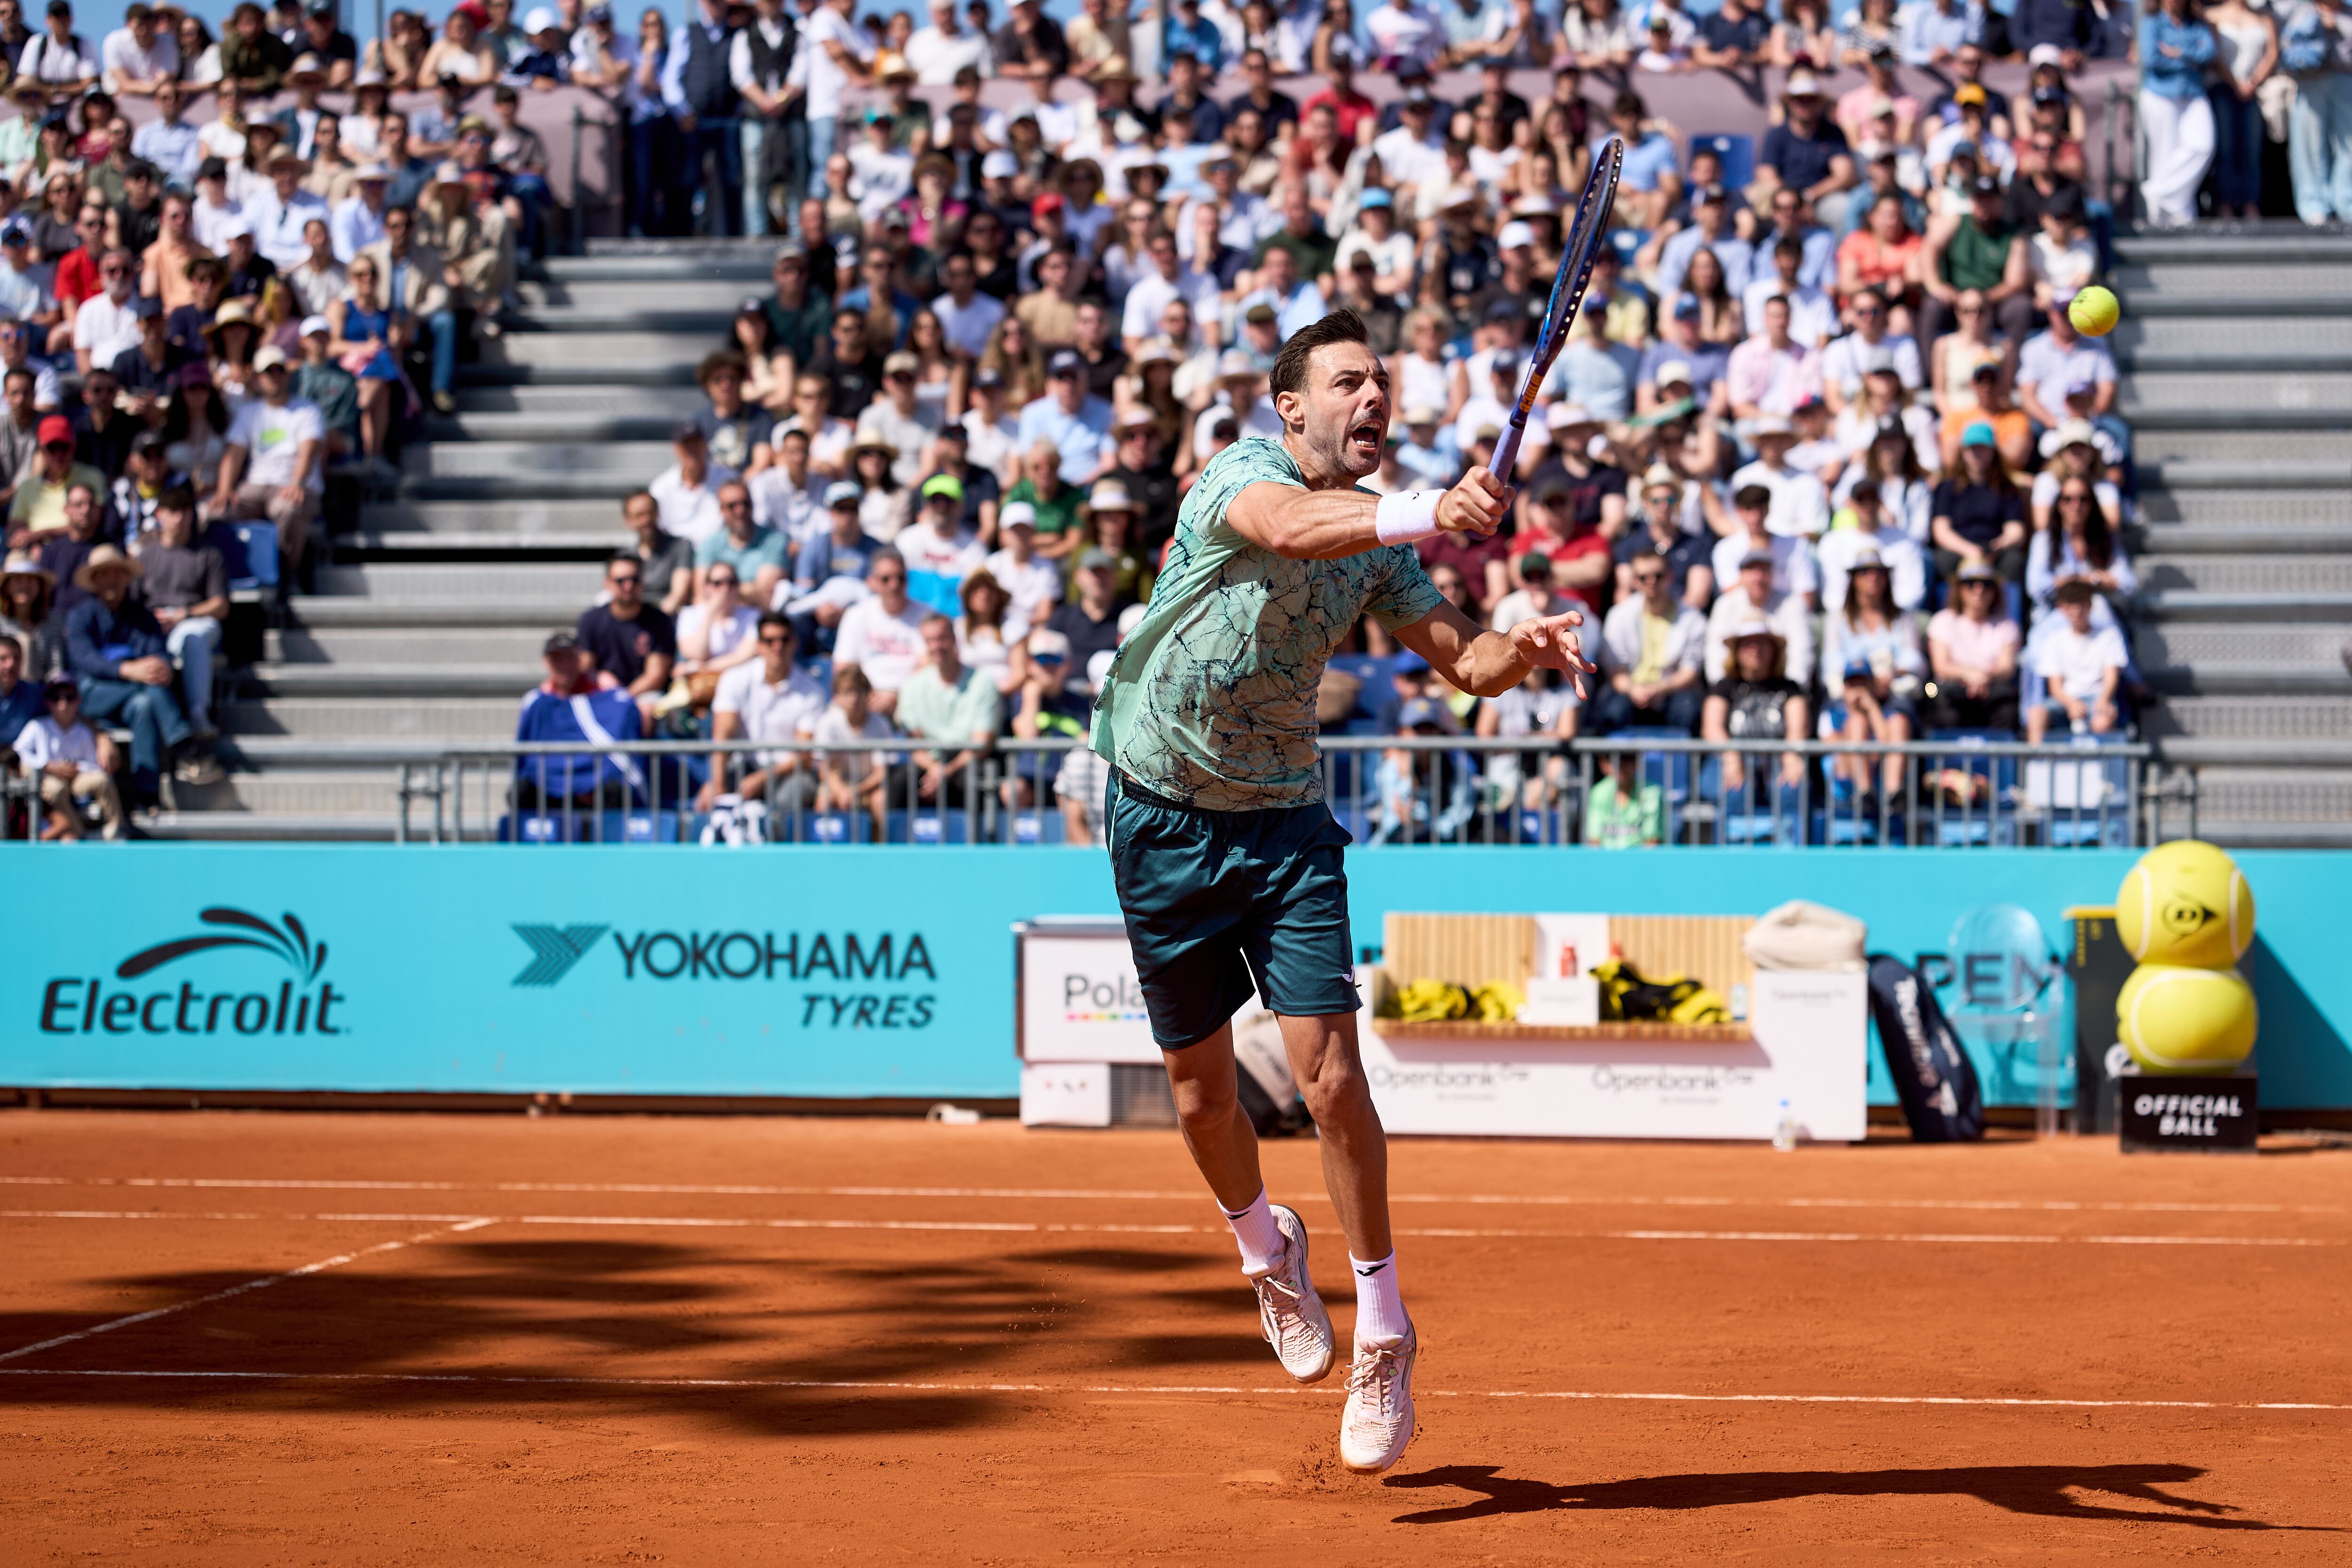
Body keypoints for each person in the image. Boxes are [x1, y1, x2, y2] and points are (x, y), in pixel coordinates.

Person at [1088, 309, 1590, 1475]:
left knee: (1330, 1078)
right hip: (1158, 812)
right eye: (1348, 382)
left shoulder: (1381, 540)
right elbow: (1291, 527)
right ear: (1293, 407)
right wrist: (1431, 509)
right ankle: (1265, 1249)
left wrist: (1519, 645)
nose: (1373, 399)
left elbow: (1462, 663)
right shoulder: (1241, 475)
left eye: (1384, 384)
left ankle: (1386, 1328)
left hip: (1285, 826)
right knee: (1204, 1098)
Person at [65, 541, 215, 801]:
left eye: (116, 573)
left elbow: (158, 650)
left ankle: (147, 793)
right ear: (95, 581)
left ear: (126, 577)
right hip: (91, 697)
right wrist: (127, 670)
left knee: (145, 704)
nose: (111, 580)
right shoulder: (80, 616)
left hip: (134, 697)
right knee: (147, 689)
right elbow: (85, 660)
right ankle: (184, 746)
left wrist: (164, 668)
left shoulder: (141, 616)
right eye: (104, 574)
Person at [207, 344, 321, 584]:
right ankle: (222, 579)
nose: (275, 377)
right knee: (214, 513)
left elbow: (308, 452)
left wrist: (296, 483)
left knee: (287, 510)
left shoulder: (307, 410)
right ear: (258, 378)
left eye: (279, 370)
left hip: (295, 485)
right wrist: (224, 490)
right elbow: (234, 455)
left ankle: (286, 576)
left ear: (287, 375)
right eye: (268, 372)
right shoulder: (249, 413)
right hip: (257, 486)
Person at [514, 628, 645, 812]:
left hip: (597, 782)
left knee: (616, 789)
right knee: (522, 791)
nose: (564, 665)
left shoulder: (606, 696)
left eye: (569, 658)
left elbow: (618, 751)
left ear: (580, 660)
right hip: (551, 784)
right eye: (557, 659)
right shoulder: (536, 702)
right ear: (547, 662)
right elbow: (525, 757)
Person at [135, 486, 226, 742]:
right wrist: (154, 620)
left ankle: (198, 714)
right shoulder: (145, 556)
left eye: (185, 512)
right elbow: (132, 602)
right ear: (159, 514)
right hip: (153, 626)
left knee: (192, 638)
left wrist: (183, 614)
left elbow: (221, 605)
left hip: (196, 622)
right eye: (173, 511)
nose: (179, 519)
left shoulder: (209, 554)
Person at [1593, 548, 1708, 733]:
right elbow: (1615, 670)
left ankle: (1679, 763)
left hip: (1672, 691)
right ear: (1635, 582)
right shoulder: (1619, 615)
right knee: (1613, 711)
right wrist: (1634, 690)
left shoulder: (1693, 619)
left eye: (1658, 576)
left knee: (1688, 709)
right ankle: (1617, 763)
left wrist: (1659, 689)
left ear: (1670, 576)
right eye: (1643, 577)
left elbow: (1690, 671)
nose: (1651, 582)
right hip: (1630, 690)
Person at [575, 550, 677, 728]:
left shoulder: (659, 621)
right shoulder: (591, 620)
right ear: (607, 583)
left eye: (634, 579)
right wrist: (599, 677)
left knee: (645, 710)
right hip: (602, 692)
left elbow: (656, 676)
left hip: (643, 695)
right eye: (620, 581)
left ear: (643, 581)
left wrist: (624, 697)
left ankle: (637, 757)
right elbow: (585, 668)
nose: (628, 586)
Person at [16, 674, 123, 836]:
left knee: (102, 780)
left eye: (69, 698)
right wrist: (48, 766)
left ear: (78, 701)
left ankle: (115, 831)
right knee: (55, 789)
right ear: (48, 702)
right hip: (48, 777)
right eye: (57, 698)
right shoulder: (37, 726)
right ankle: (77, 830)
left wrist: (75, 768)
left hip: (77, 778)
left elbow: (94, 764)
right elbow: (19, 752)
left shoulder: (84, 731)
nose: (63, 704)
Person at [2026, 577, 2126, 741]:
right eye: (2071, 605)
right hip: (2065, 702)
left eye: (2081, 604)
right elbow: (2055, 687)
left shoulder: (2110, 636)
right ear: (2062, 609)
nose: (2076, 611)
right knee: (2036, 714)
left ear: (2091, 605)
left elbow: (2111, 675)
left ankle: (2100, 767)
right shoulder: (2054, 640)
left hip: (2098, 699)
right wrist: (2070, 703)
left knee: (2103, 720)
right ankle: (2035, 765)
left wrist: (2104, 700)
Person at [1924, 559, 2020, 730]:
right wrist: (1968, 675)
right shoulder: (1942, 621)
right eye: (1971, 584)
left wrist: (1979, 677)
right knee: (1943, 708)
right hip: (1953, 694)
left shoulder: (2007, 625)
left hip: (1993, 694)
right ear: (1960, 589)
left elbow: (2006, 668)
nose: (1979, 590)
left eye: (1986, 585)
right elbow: (1941, 667)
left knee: (2008, 710)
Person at [809, 661, 895, 837]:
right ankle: (823, 852)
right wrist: (841, 791)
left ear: (868, 695)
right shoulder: (828, 723)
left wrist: (857, 791)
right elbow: (826, 769)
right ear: (837, 697)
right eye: (847, 692)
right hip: (838, 786)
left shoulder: (880, 726)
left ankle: (881, 850)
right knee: (824, 800)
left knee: (881, 800)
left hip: (869, 788)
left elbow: (881, 773)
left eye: (859, 692)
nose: (853, 699)